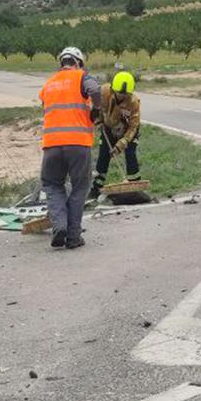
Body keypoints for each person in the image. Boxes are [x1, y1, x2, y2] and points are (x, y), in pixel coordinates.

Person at [39, 46, 101, 250]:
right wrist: (96, 111)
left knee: (52, 184)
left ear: (61, 62)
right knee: (80, 187)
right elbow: (95, 90)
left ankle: (59, 226)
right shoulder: (81, 77)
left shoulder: (49, 83)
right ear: (79, 62)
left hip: (51, 145)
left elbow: (45, 106)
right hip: (78, 143)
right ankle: (73, 236)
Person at [89, 71, 142, 200]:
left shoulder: (134, 102)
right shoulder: (103, 92)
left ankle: (134, 186)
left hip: (128, 130)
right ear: (113, 89)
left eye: (125, 95)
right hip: (108, 126)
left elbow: (133, 126)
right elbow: (95, 109)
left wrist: (122, 142)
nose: (121, 97)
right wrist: (98, 120)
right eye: (119, 93)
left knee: (130, 153)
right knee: (103, 154)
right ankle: (96, 188)